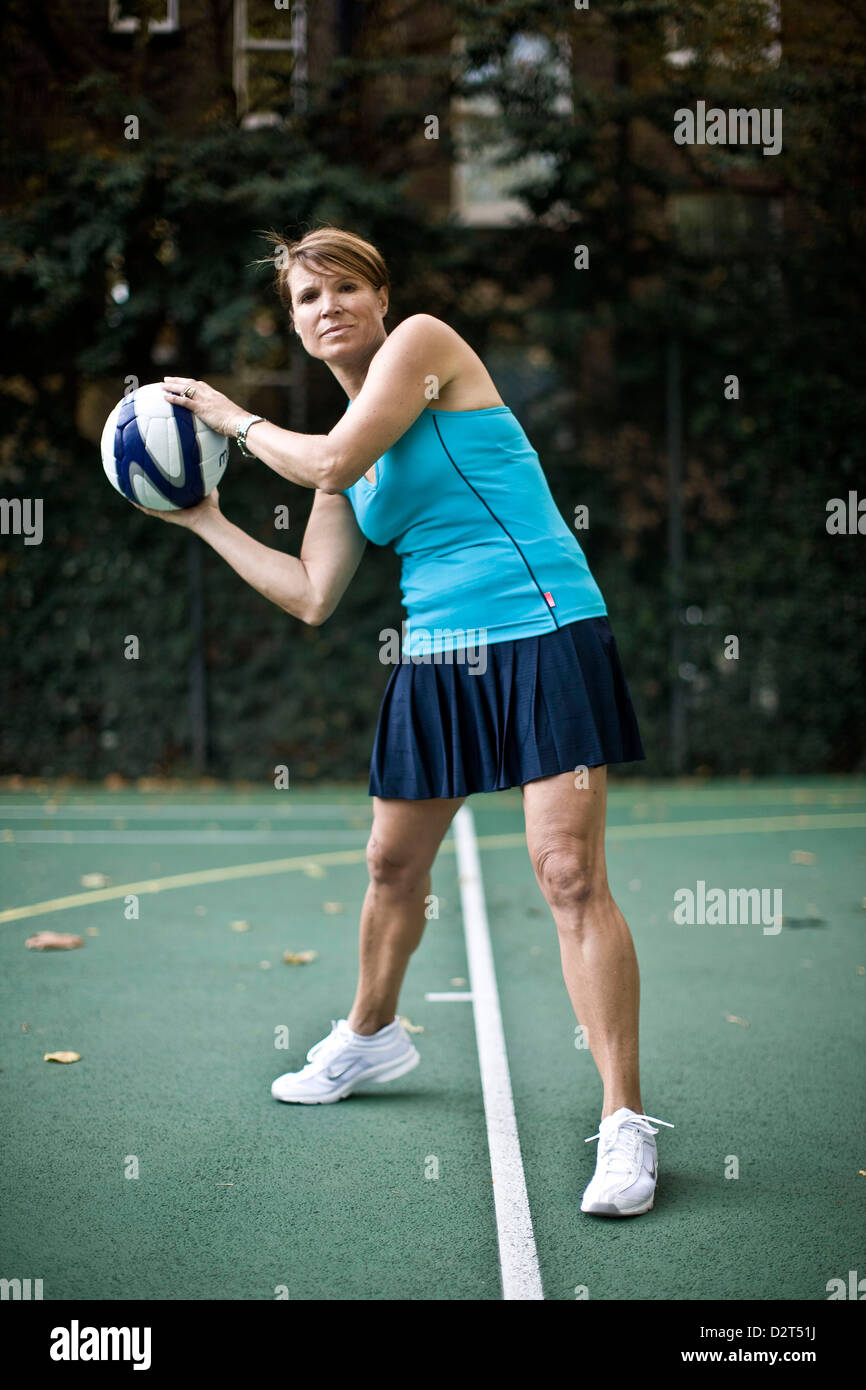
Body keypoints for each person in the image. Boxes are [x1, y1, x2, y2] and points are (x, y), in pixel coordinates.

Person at [138, 226, 673, 1218]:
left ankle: (625, 1122)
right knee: (390, 866)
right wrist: (203, 518)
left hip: (545, 628)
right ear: (295, 323)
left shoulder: (423, 348)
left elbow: (328, 451)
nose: (327, 306)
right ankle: (371, 1032)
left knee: (566, 874)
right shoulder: (346, 470)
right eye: (306, 297)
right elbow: (310, 593)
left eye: (345, 287)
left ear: (382, 300)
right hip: (435, 657)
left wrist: (229, 416)